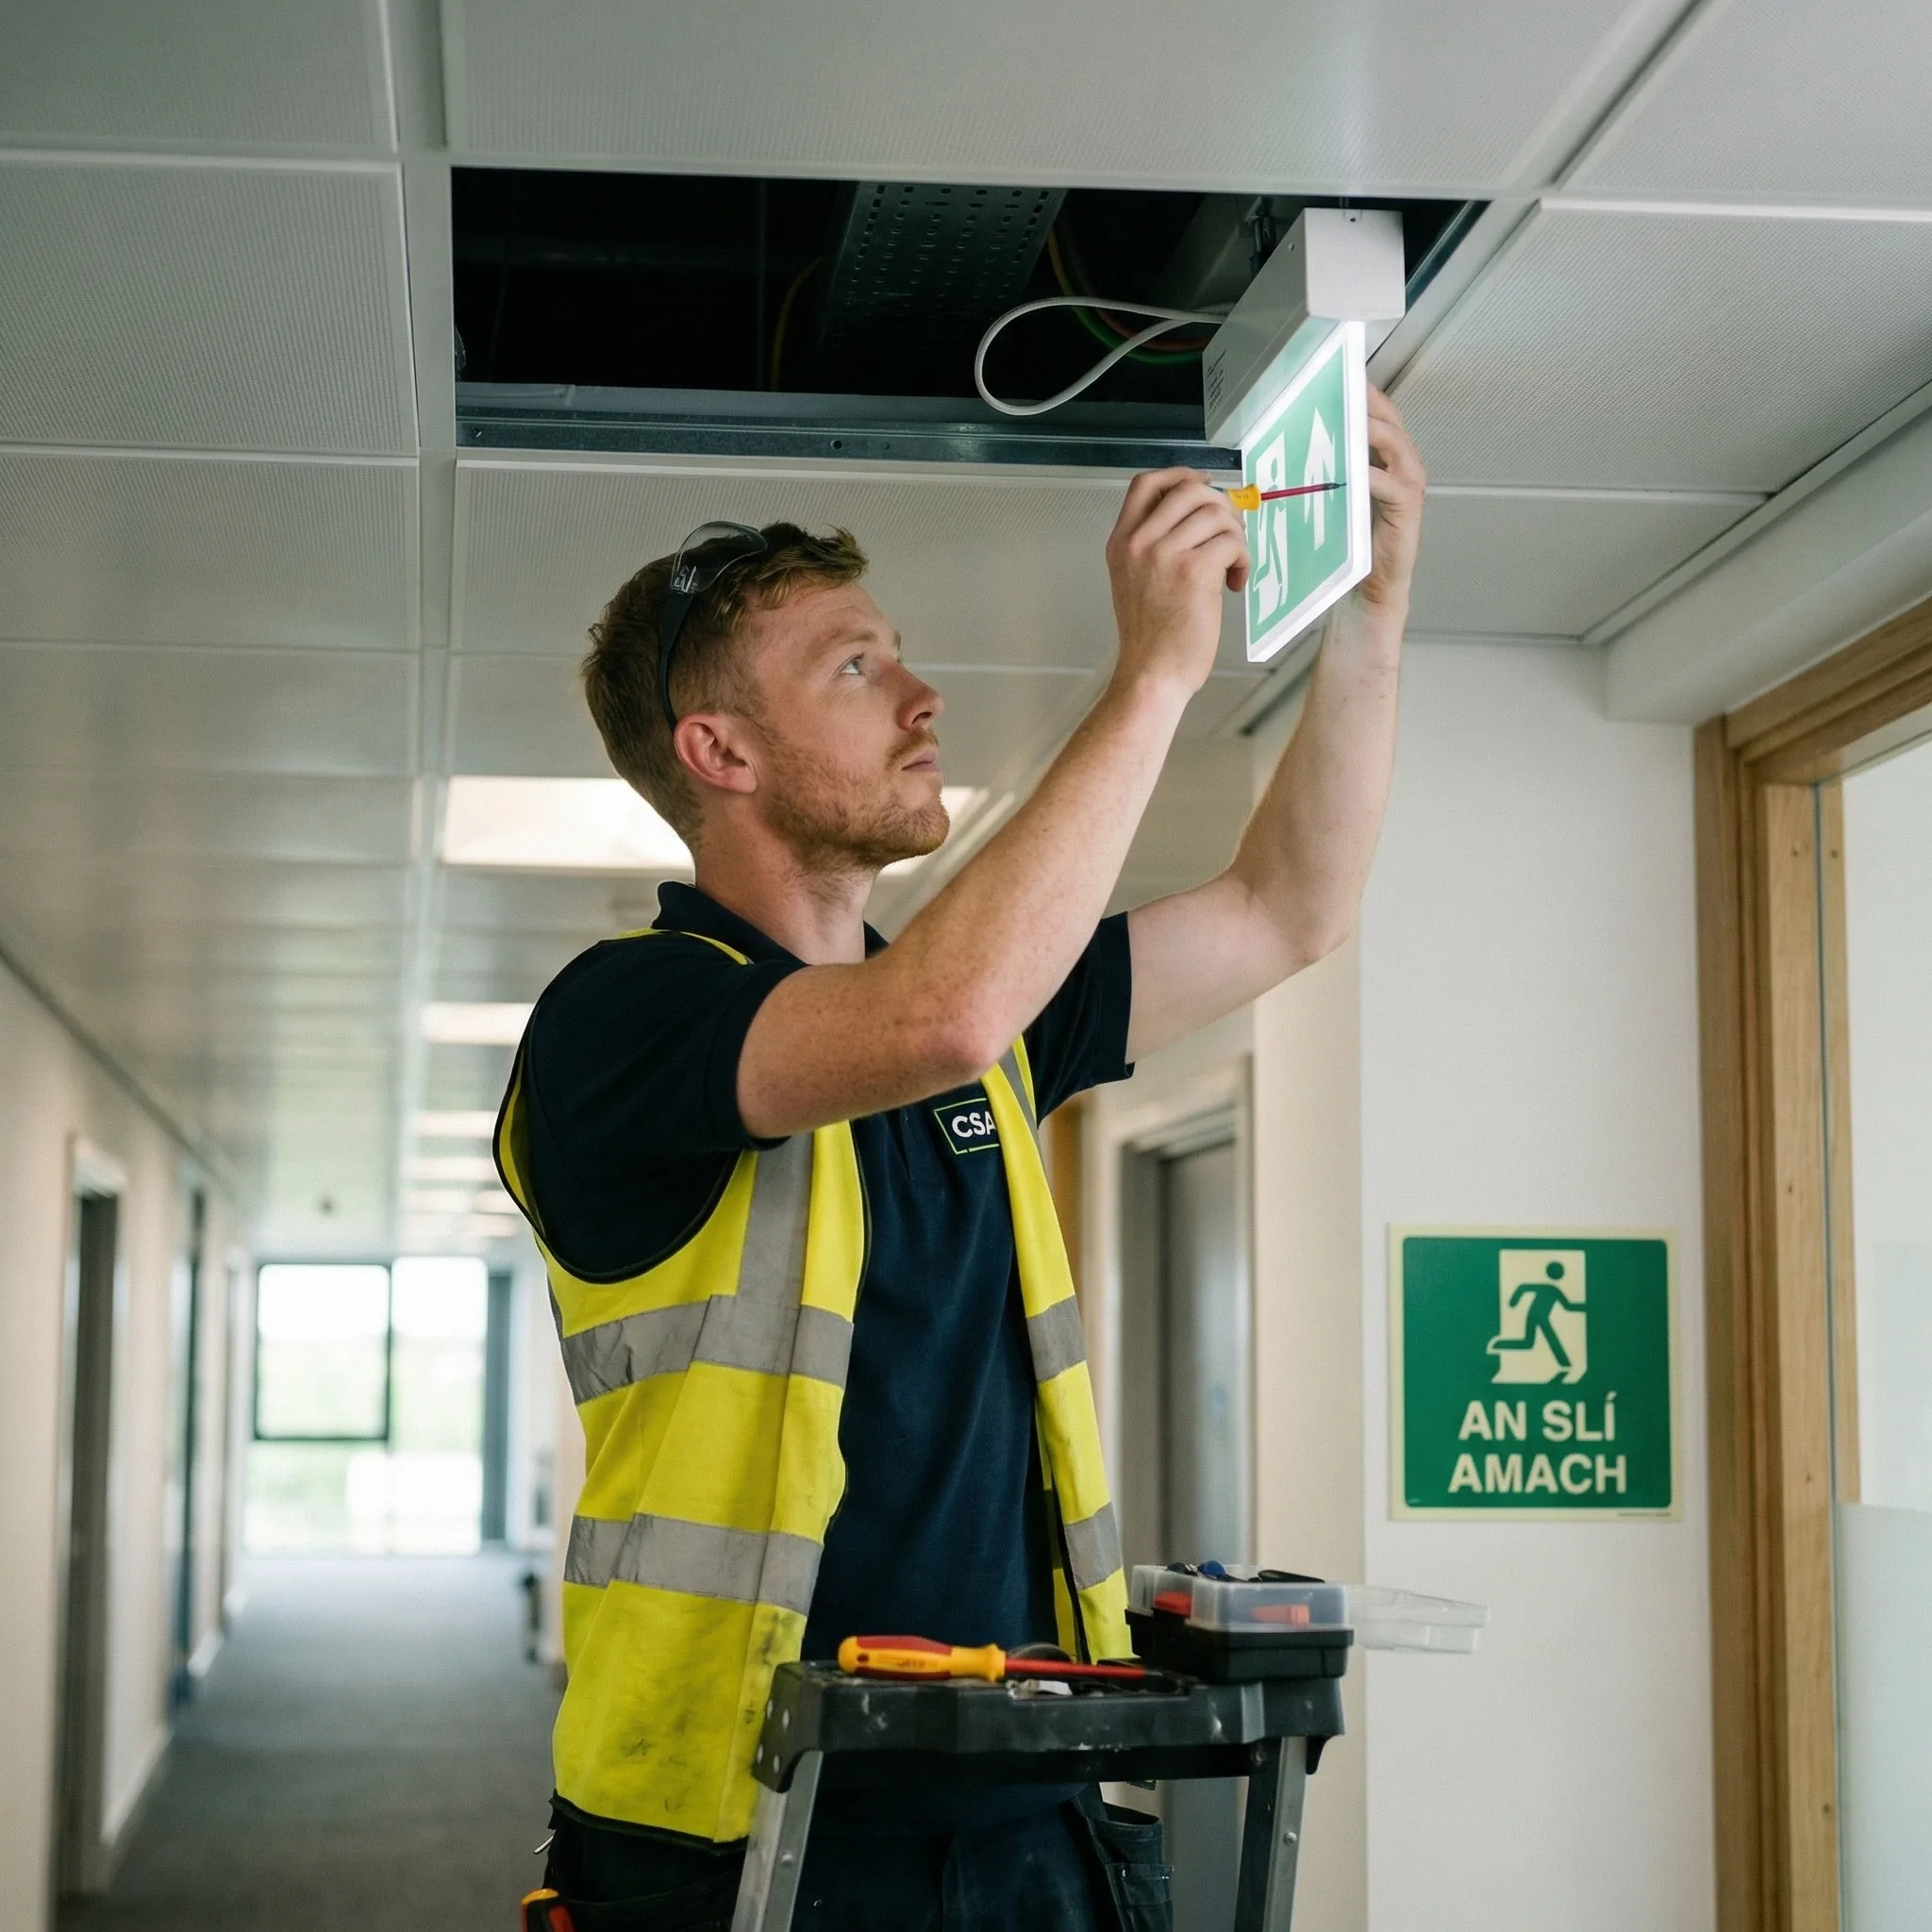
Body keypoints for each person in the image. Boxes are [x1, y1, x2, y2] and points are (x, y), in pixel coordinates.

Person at [496, 388, 1426, 1931]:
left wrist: (1375, 619)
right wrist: (1151, 678)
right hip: (744, 1829)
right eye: (856, 667)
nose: (923, 694)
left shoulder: (981, 1027)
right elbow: (933, 1013)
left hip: (1021, 1806)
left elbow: (1287, 905)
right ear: (716, 748)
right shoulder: (625, 1023)